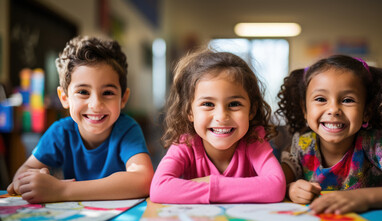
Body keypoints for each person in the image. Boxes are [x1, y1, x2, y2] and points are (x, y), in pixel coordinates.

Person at [7, 36, 154, 203]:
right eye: (83, 92)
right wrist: (28, 181)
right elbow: (22, 173)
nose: (96, 105)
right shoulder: (61, 132)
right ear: (64, 97)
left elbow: (144, 180)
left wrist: (62, 190)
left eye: (107, 93)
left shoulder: (127, 129)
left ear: (123, 98)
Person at [276, 55, 382, 214]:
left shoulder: (374, 145)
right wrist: (290, 189)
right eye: (321, 99)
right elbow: (273, 186)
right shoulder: (299, 147)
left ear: (366, 112)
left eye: (348, 100)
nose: (334, 109)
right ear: (305, 110)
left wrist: (364, 197)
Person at [150, 48, 286, 204]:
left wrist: (209, 182)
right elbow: (159, 189)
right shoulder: (185, 144)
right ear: (189, 111)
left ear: (251, 110)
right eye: (208, 104)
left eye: (234, 104)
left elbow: (275, 187)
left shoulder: (254, 140)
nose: (221, 117)